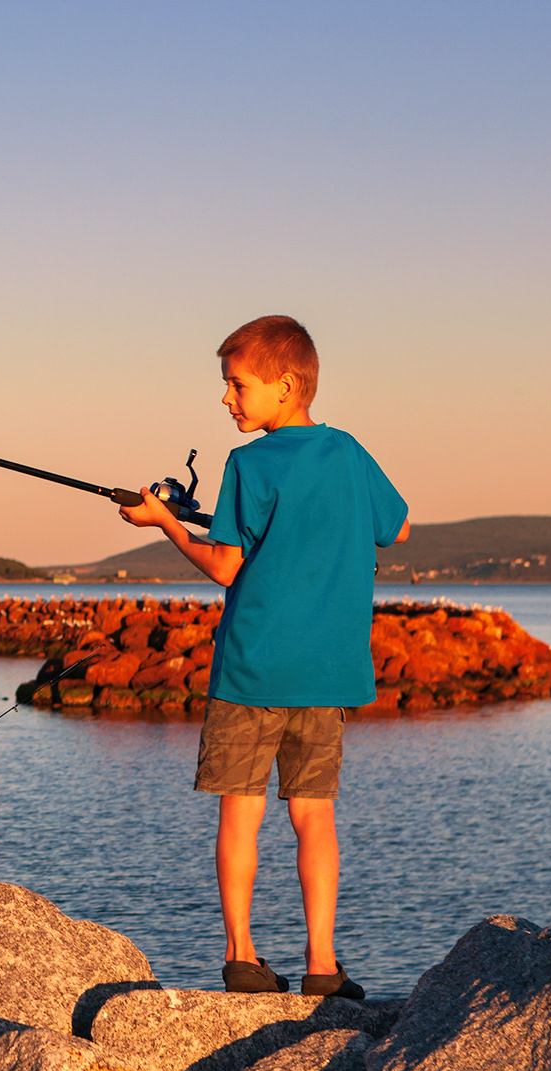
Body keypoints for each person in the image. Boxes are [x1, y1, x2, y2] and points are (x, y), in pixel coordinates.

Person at [118, 315, 408, 999]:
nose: (227, 399)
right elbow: (392, 523)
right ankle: (321, 965)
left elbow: (224, 566)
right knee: (314, 816)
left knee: (240, 812)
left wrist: (165, 523)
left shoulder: (246, 463)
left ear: (283, 386)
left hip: (250, 669)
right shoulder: (348, 452)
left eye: (236, 384)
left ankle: (243, 956)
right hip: (328, 672)